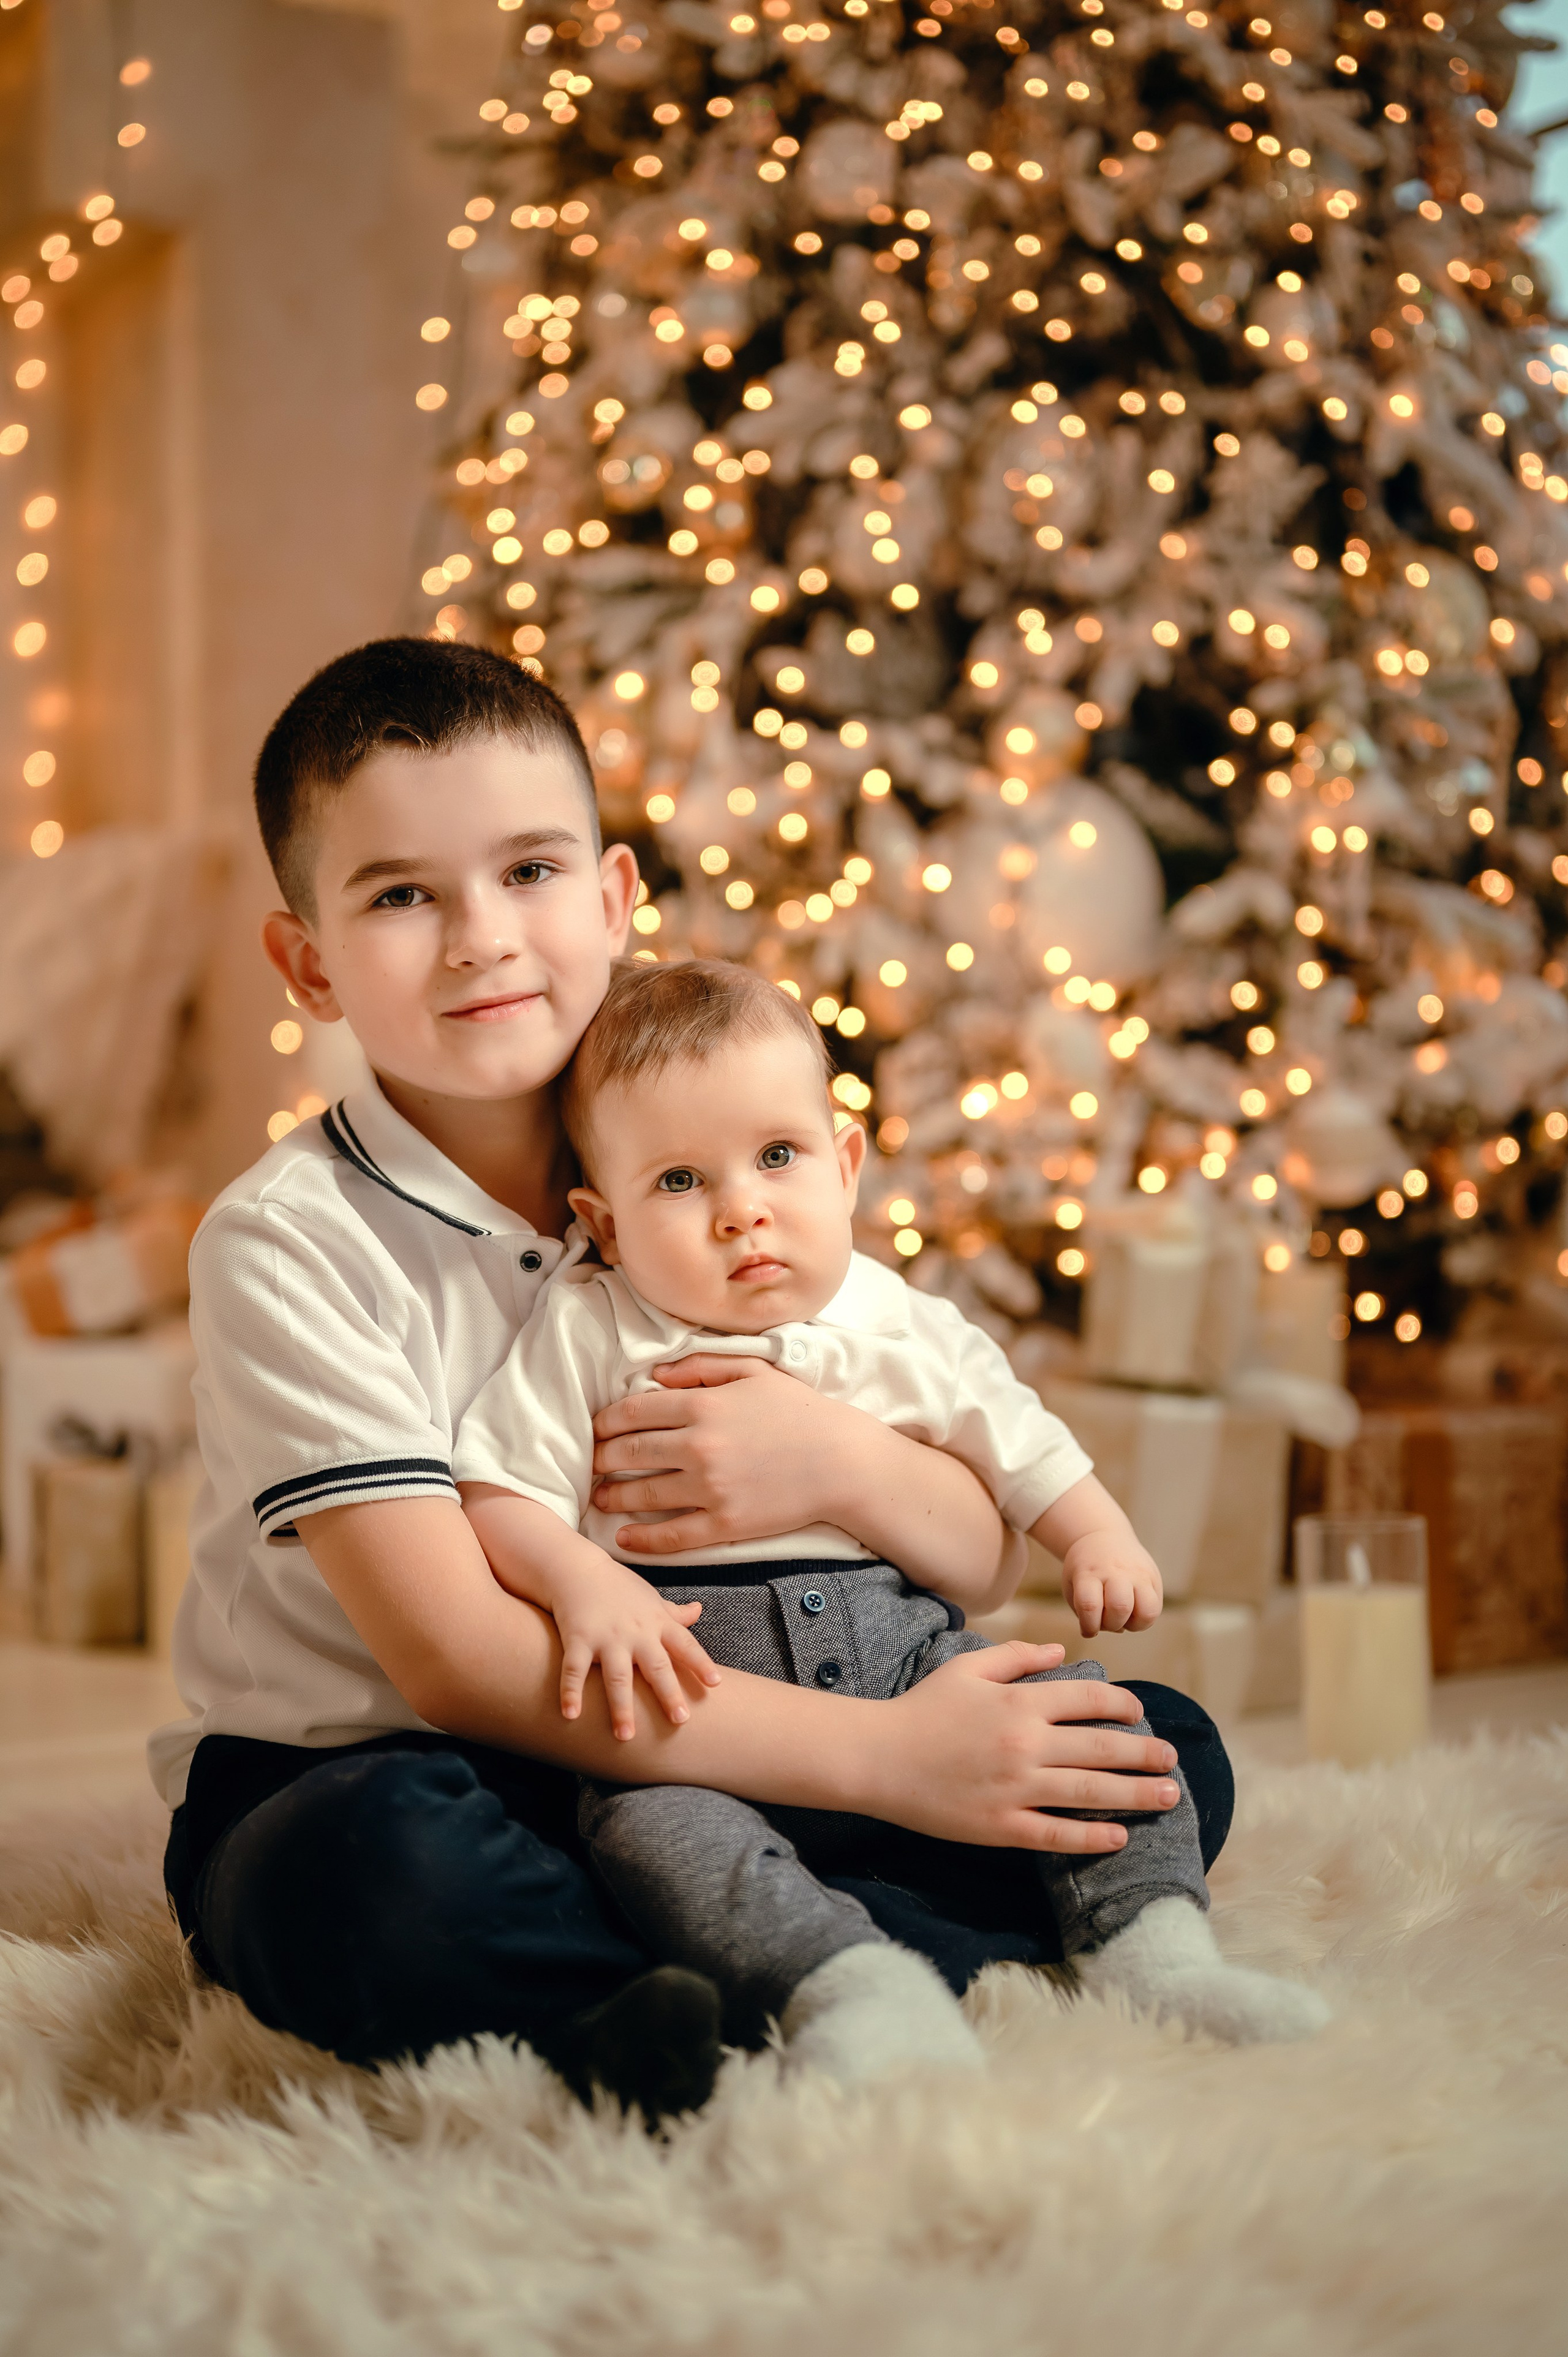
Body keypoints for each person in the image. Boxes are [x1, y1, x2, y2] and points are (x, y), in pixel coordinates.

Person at [151, 635, 1235, 2123]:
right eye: (401, 895)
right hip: (398, 1762)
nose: (480, 937)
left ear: (609, 899)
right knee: (363, 1867)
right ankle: (660, 1996)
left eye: (528, 872)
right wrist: (894, 1763)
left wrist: (841, 1469)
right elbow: (460, 1664)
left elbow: (976, 1548)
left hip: (719, 1745)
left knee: (1144, 1744)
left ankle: (762, 1952)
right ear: (309, 961)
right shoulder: (288, 1243)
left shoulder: (712, 1142)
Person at [456, 959, 1330, 2081]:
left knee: (1115, 1728)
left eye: (779, 1156)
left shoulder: (900, 1319)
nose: (743, 1209)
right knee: (642, 1828)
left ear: (847, 1163)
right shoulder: (591, 1329)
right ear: (605, 1222)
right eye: (681, 1180)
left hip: (919, 1674)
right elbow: (496, 1492)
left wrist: (1096, 1534)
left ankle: (1153, 1952)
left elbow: (1018, 1443)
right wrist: (585, 1584)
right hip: (711, 1722)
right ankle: (850, 1985)